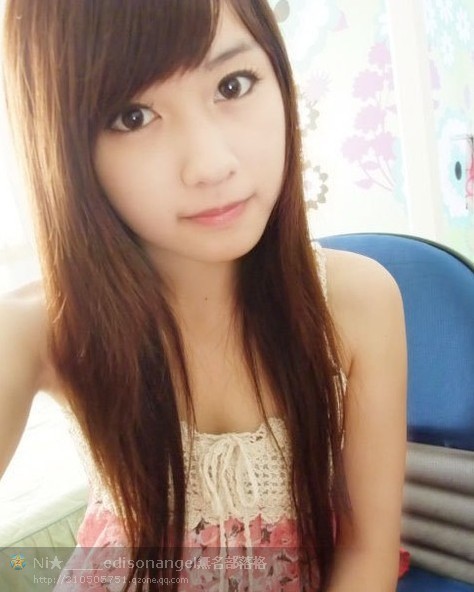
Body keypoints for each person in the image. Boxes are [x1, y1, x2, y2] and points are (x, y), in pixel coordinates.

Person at [0, 0, 409, 590]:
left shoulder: (357, 304)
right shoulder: (42, 327)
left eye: (232, 84)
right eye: (133, 116)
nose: (212, 165)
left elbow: (368, 550)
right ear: (64, 148)